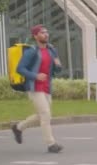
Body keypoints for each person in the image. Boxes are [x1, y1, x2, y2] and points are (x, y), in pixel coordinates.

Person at [11, 24, 64, 153]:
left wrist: (58, 65)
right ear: (35, 36)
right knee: (45, 114)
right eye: (42, 32)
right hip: (34, 87)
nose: (46, 34)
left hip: (46, 87)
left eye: (46, 32)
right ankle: (51, 144)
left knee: (42, 115)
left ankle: (18, 127)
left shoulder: (52, 50)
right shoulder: (31, 51)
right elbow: (20, 68)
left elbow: (57, 70)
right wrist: (35, 76)